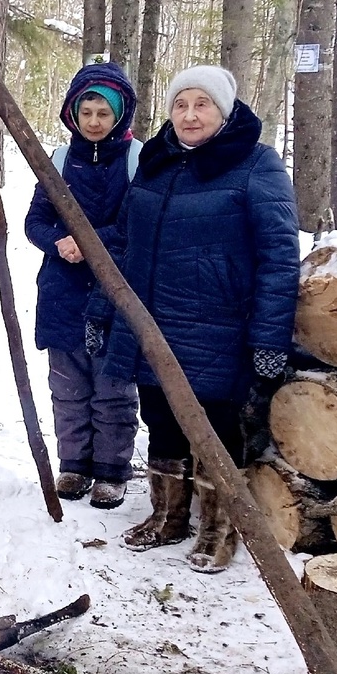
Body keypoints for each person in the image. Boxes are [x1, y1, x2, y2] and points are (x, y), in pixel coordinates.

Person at [85, 65, 299, 572]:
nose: (189, 114)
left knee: (216, 429)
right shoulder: (157, 161)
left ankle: (219, 530)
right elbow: (121, 242)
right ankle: (168, 516)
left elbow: (279, 257)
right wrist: (101, 310)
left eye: (201, 104)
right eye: (181, 104)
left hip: (217, 327)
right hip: (152, 323)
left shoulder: (255, 164)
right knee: (159, 419)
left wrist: (269, 339)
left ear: (223, 112)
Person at [24, 61, 141, 510]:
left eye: (103, 114)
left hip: (113, 290)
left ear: (119, 116)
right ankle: (73, 465)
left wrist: (89, 244)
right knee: (67, 385)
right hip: (62, 289)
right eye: (86, 112)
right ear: (73, 113)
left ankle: (112, 470)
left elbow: (135, 224)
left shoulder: (137, 160)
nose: (94, 122)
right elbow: (36, 220)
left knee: (112, 386)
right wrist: (58, 242)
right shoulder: (57, 160)